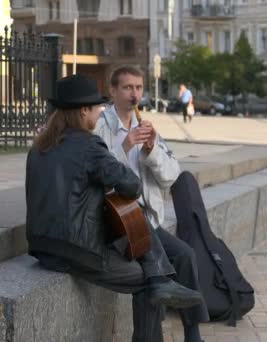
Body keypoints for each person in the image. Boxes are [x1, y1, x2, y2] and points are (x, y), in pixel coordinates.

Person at [26, 74, 204, 342]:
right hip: (76, 250)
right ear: (83, 110)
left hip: (42, 246)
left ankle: (161, 279)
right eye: (97, 108)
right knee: (146, 283)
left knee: (140, 229)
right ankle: (158, 280)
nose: (99, 113)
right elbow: (131, 186)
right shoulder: (89, 144)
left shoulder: (38, 147)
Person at [95, 66, 209, 342]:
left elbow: (171, 175)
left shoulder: (146, 127)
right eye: (127, 87)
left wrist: (152, 150)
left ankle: (192, 334)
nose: (134, 94)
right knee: (149, 276)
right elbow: (97, 175)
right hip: (117, 220)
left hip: (146, 221)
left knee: (185, 255)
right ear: (113, 91)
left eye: (138, 88)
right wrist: (123, 147)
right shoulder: (100, 126)